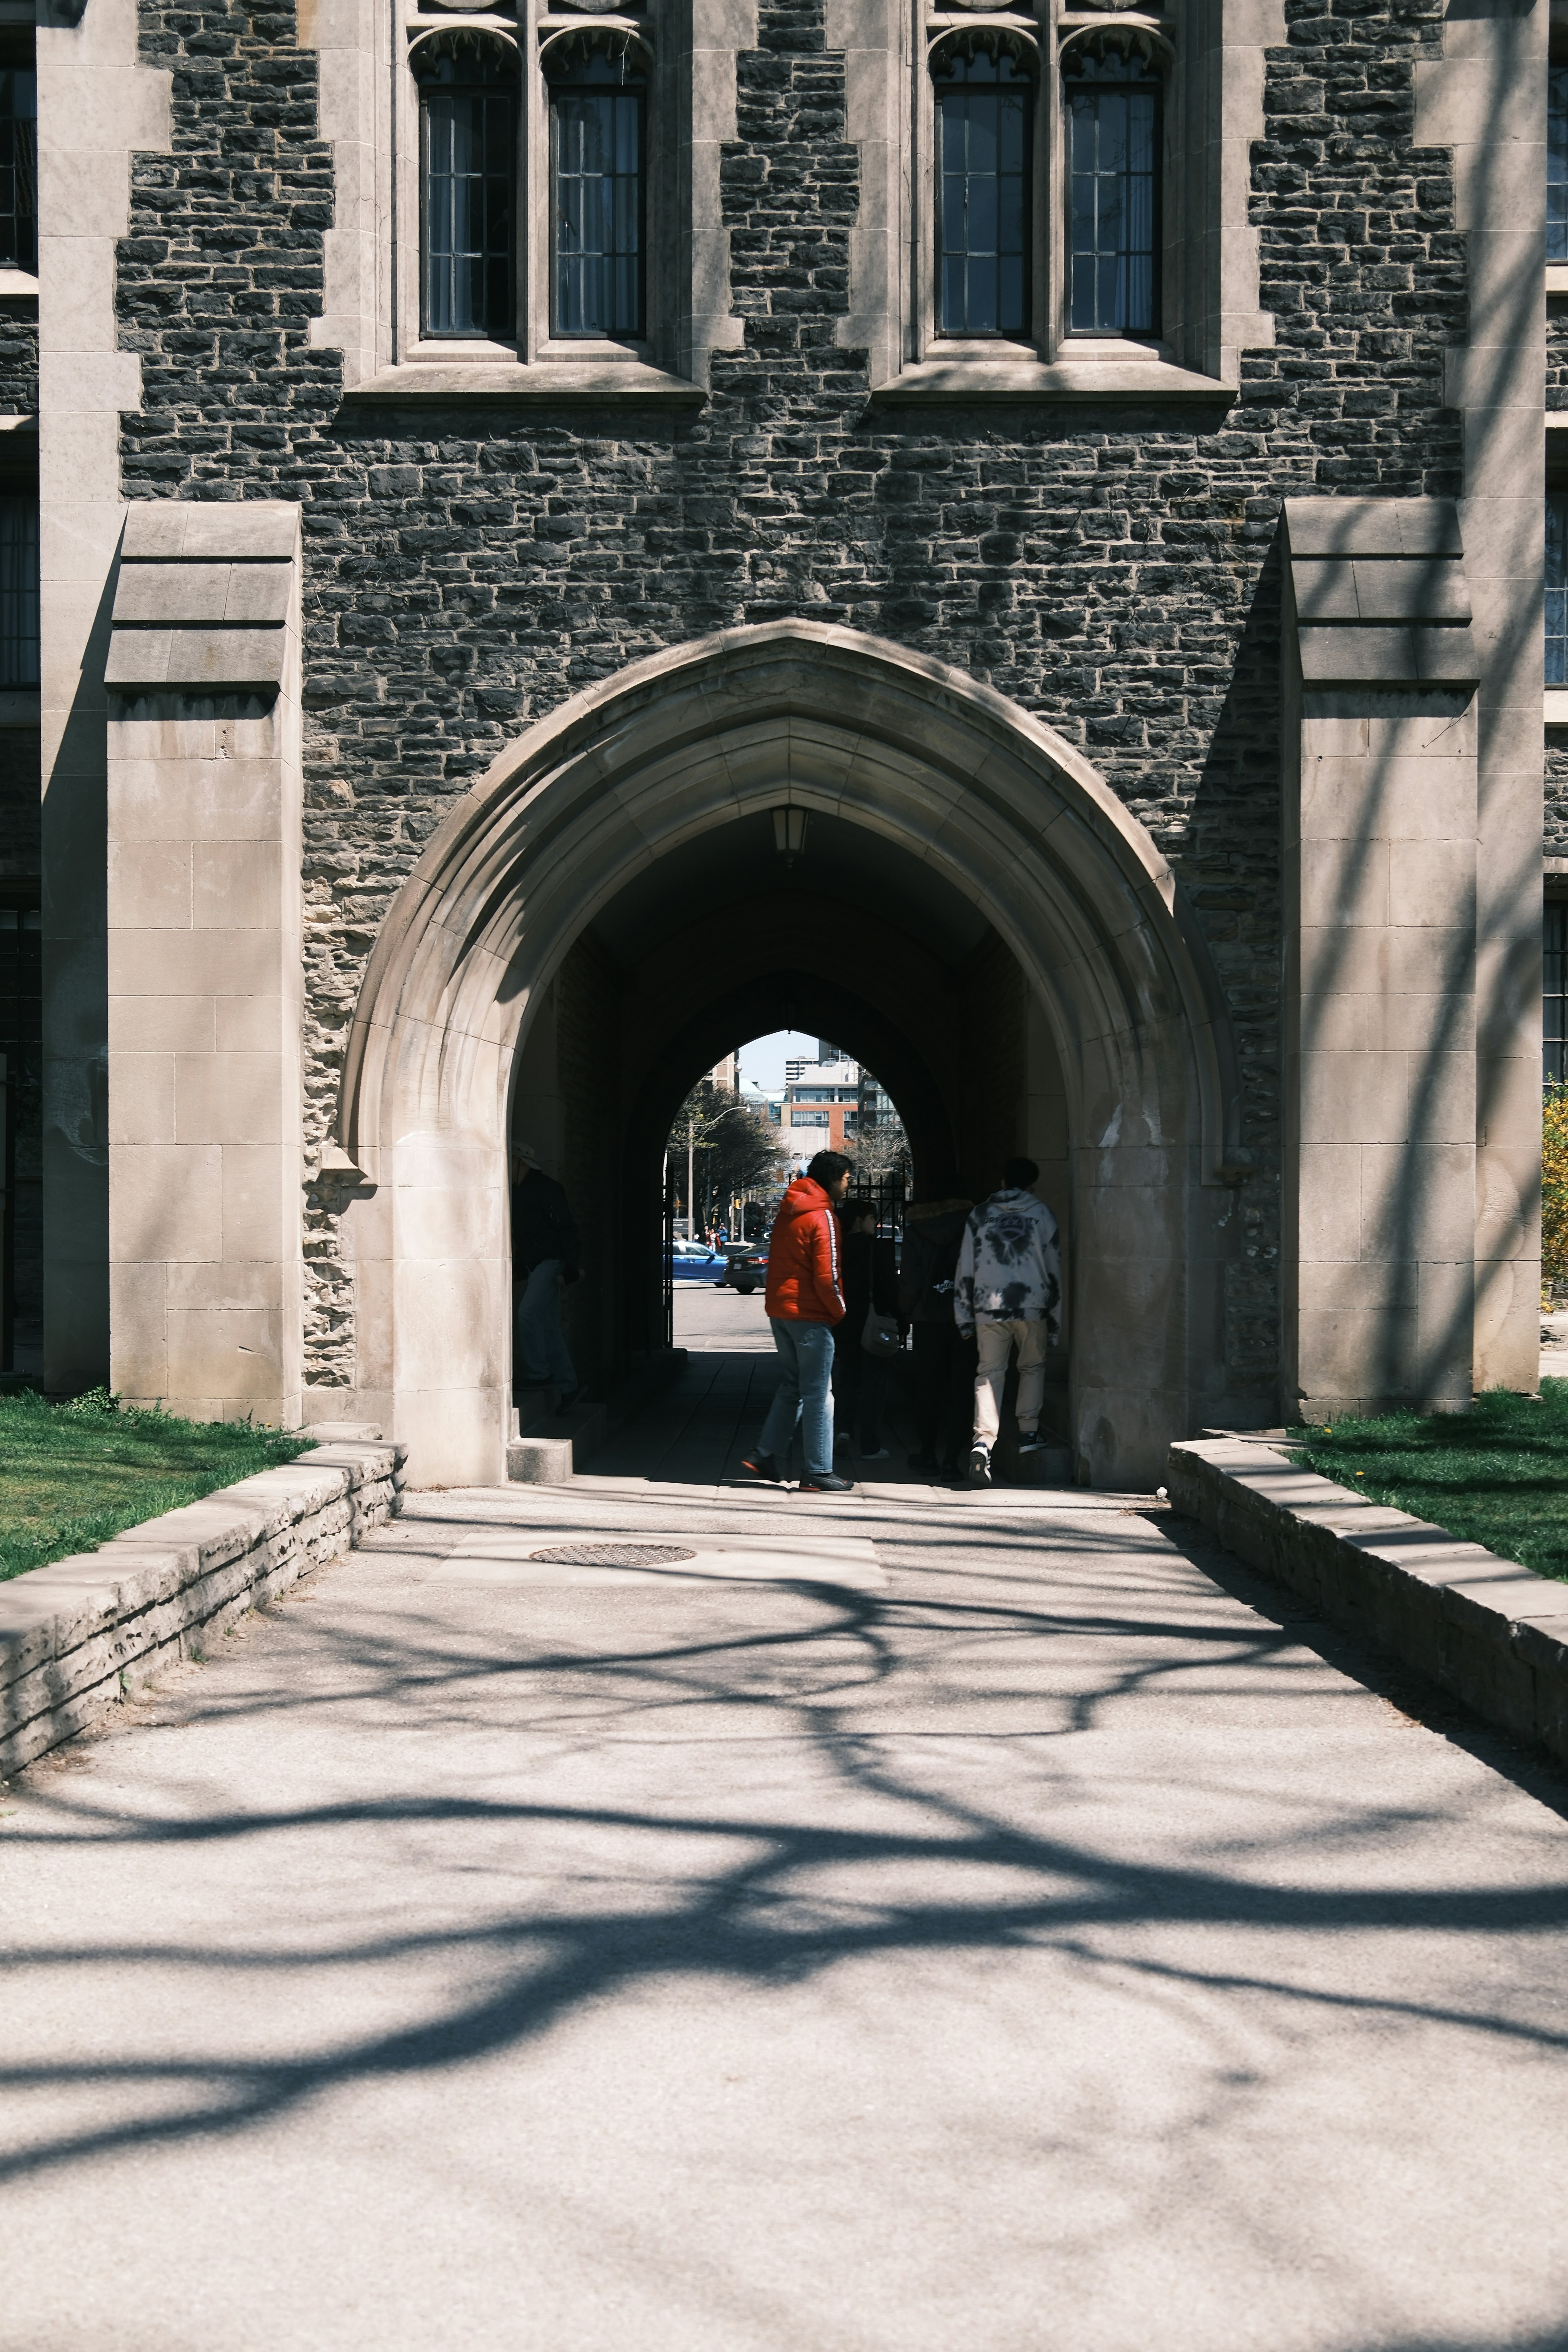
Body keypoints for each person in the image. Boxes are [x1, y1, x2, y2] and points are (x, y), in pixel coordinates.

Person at [742, 1149, 854, 1493]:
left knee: (794, 1385)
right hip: (810, 1314)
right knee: (820, 1393)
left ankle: (764, 1453)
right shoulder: (823, 1216)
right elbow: (828, 1274)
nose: (848, 1185)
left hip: (781, 1309)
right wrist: (839, 1310)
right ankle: (818, 1470)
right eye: (846, 1178)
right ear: (832, 1178)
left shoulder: (789, 1211)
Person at [955, 1157, 1061, 1489]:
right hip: (1031, 1302)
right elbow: (1054, 1268)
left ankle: (983, 1442)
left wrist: (963, 1314)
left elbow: (966, 1266)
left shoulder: (980, 1214)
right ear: (1033, 1185)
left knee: (989, 1374)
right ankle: (1029, 1431)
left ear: (1002, 1181)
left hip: (989, 1304)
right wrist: (1055, 1317)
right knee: (1032, 1367)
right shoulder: (1042, 1213)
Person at [899, 1194, 975, 1477]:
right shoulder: (973, 1225)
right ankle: (952, 1459)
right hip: (965, 1318)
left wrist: (907, 1311)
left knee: (928, 1389)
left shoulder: (916, 1231)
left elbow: (911, 1279)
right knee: (963, 1390)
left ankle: (928, 1453)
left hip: (928, 1319)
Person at [510, 1142, 583, 1411]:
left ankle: (539, 1373)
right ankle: (568, 1386)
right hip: (537, 1263)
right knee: (549, 1325)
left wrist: (570, 1268)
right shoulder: (518, 1190)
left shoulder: (546, 1188)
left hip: (550, 1262)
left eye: (511, 1160)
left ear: (521, 1162)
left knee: (528, 1315)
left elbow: (566, 1228)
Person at [833, 1198, 901, 1461]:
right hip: (873, 1325)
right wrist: (901, 1318)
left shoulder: (836, 1250)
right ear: (859, 1221)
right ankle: (870, 1445)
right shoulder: (876, 1249)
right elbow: (889, 1288)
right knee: (874, 1385)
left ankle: (843, 1431)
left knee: (847, 1381)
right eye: (872, 1218)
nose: (876, 1223)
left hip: (844, 1324)